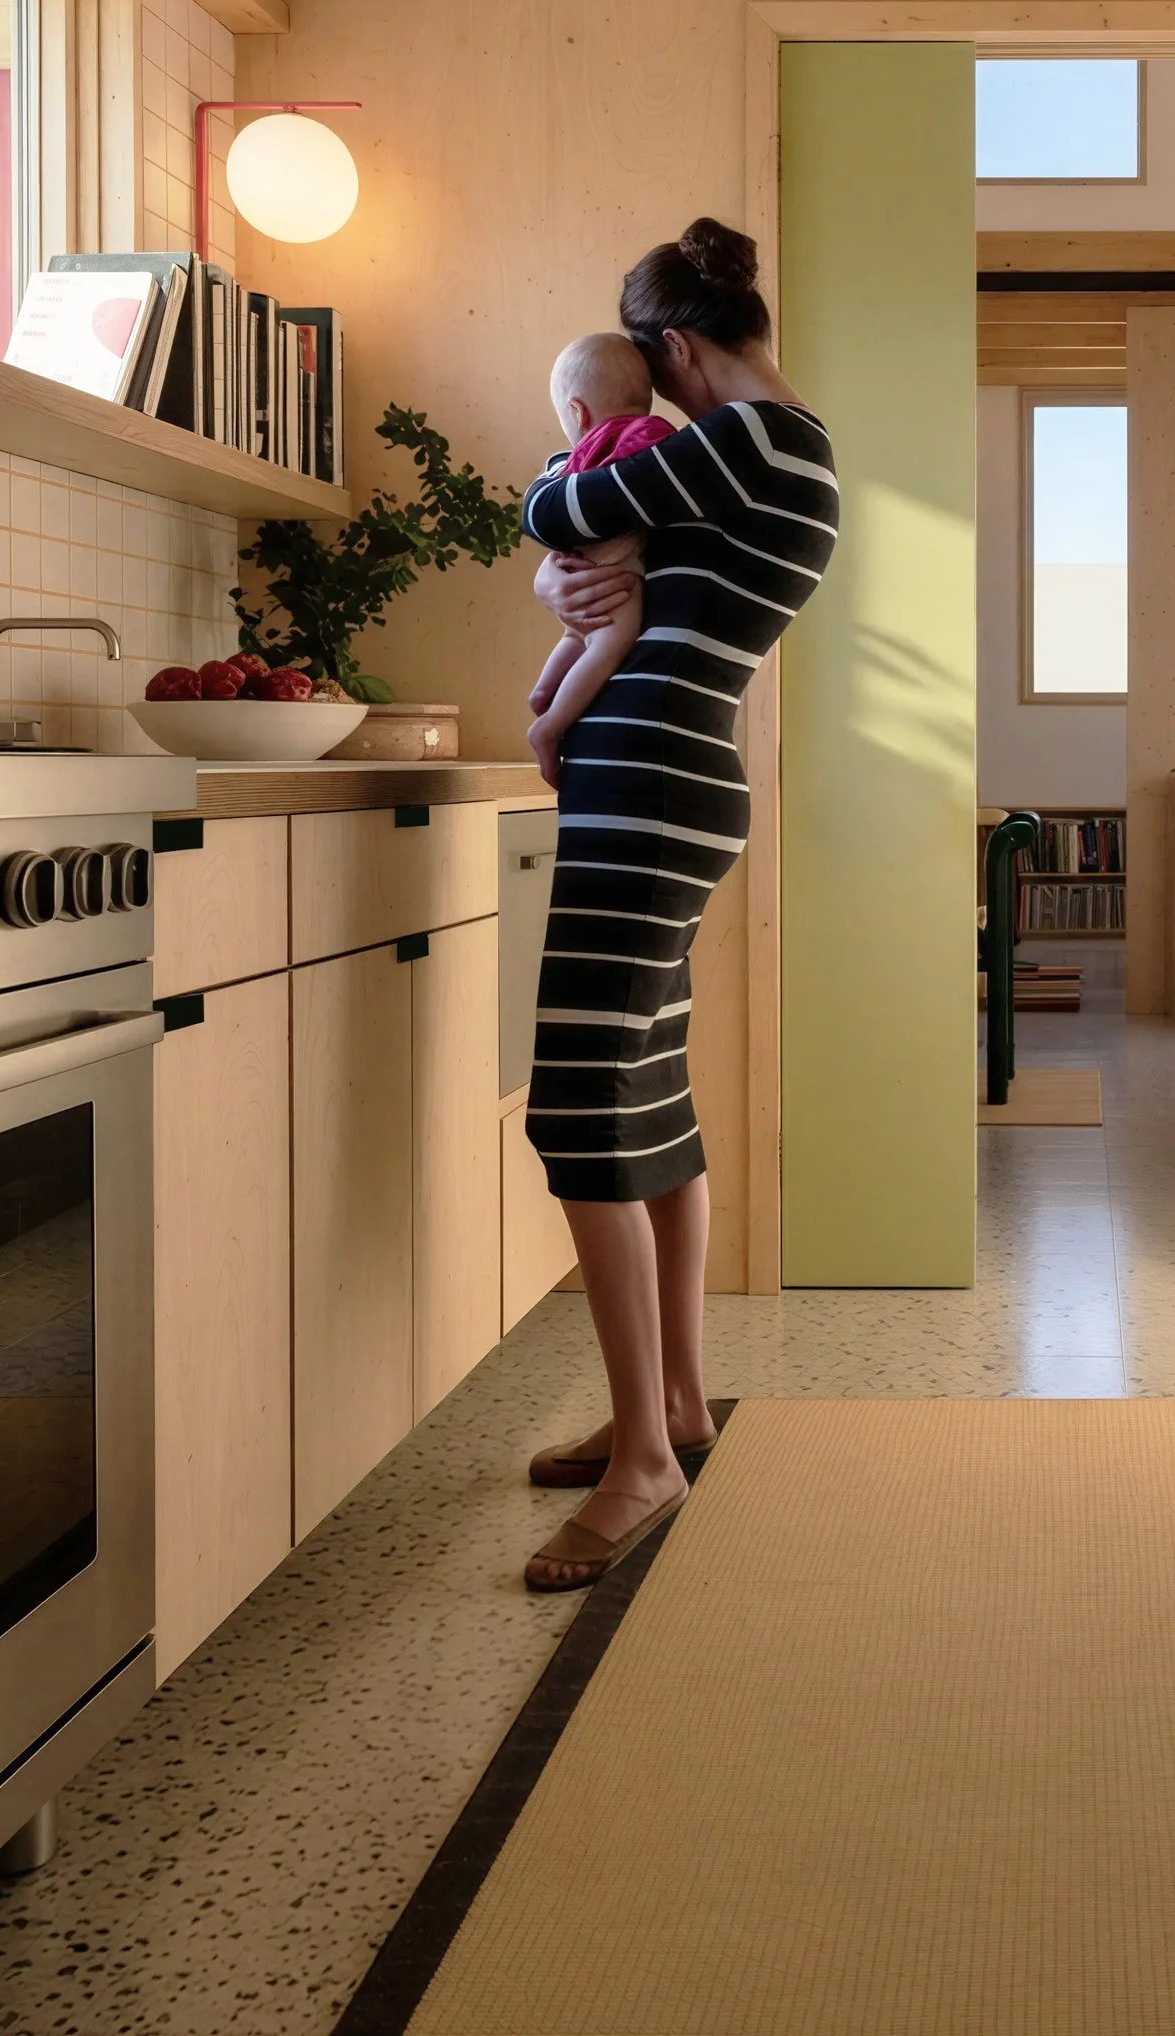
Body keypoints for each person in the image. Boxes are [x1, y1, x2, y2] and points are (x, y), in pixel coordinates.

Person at [517, 218, 837, 1591]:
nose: (653, 412)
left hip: (648, 785)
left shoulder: (762, 440)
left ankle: (646, 1462)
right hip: (661, 779)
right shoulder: (754, 456)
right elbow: (587, 551)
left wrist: (568, 541)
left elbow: (554, 512)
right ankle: (678, 1411)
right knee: (648, 1096)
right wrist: (584, 577)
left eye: (658, 384)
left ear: (681, 350)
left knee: (580, 1104)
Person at [523, 333, 676, 787]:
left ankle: (544, 692)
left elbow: (543, 499)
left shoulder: (571, 461)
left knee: (576, 634)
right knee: (614, 637)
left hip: (576, 566)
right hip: (616, 570)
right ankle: (549, 726)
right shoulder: (649, 434)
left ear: (577, 411)